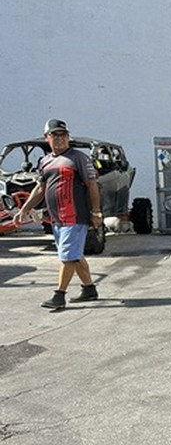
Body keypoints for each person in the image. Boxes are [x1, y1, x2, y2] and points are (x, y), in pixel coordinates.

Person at [14, 118, 103, 310]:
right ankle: (89, 289)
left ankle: (59, 294)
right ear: (47, 138)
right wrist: (25, 208)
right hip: (56, 219)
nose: (60, 139)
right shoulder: (45, 161)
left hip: (75, 217)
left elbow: (92, 185)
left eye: (64, 135)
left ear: (68, 137)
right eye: (55, 135)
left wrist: (96, 212)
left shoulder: (78, 158)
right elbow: (40, 188)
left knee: (67, 257)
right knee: (75, 255)